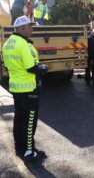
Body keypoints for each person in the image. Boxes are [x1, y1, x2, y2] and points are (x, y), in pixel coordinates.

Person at [2, 15, 48, 162]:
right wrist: (43, 67)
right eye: (30, 26)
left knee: (19, 119)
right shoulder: (23, 44)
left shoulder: (7, 43)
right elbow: (31, 67)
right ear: (21, 28)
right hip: (29, 89)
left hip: (16, 88)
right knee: (29, 121)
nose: (31, 28)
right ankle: (29, 151)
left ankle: (19, 148)